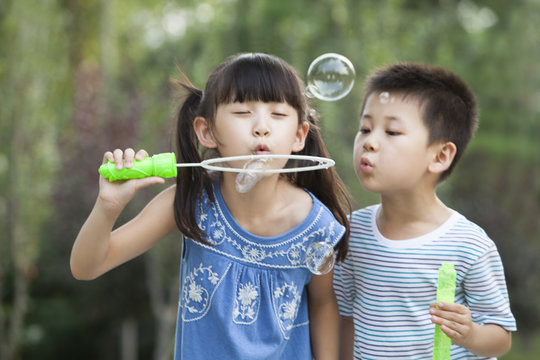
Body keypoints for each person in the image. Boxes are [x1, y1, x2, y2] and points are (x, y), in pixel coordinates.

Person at [70, 52, 352, 359]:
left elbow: (323, 304)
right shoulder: (192, 201)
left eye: (278, 115)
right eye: (243, 112)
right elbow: (86, 267)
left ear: (299, 135)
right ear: (207, 132)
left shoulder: (316, 225)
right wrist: (107, 206)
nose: (261, 127)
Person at [333, 62, 516, 359]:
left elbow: (501, 338)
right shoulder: (351, 233)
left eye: (391, 131)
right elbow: (344, 318)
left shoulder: (469, 245)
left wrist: (471, 334)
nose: (369, 142)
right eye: (365, 128)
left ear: (441, 155)